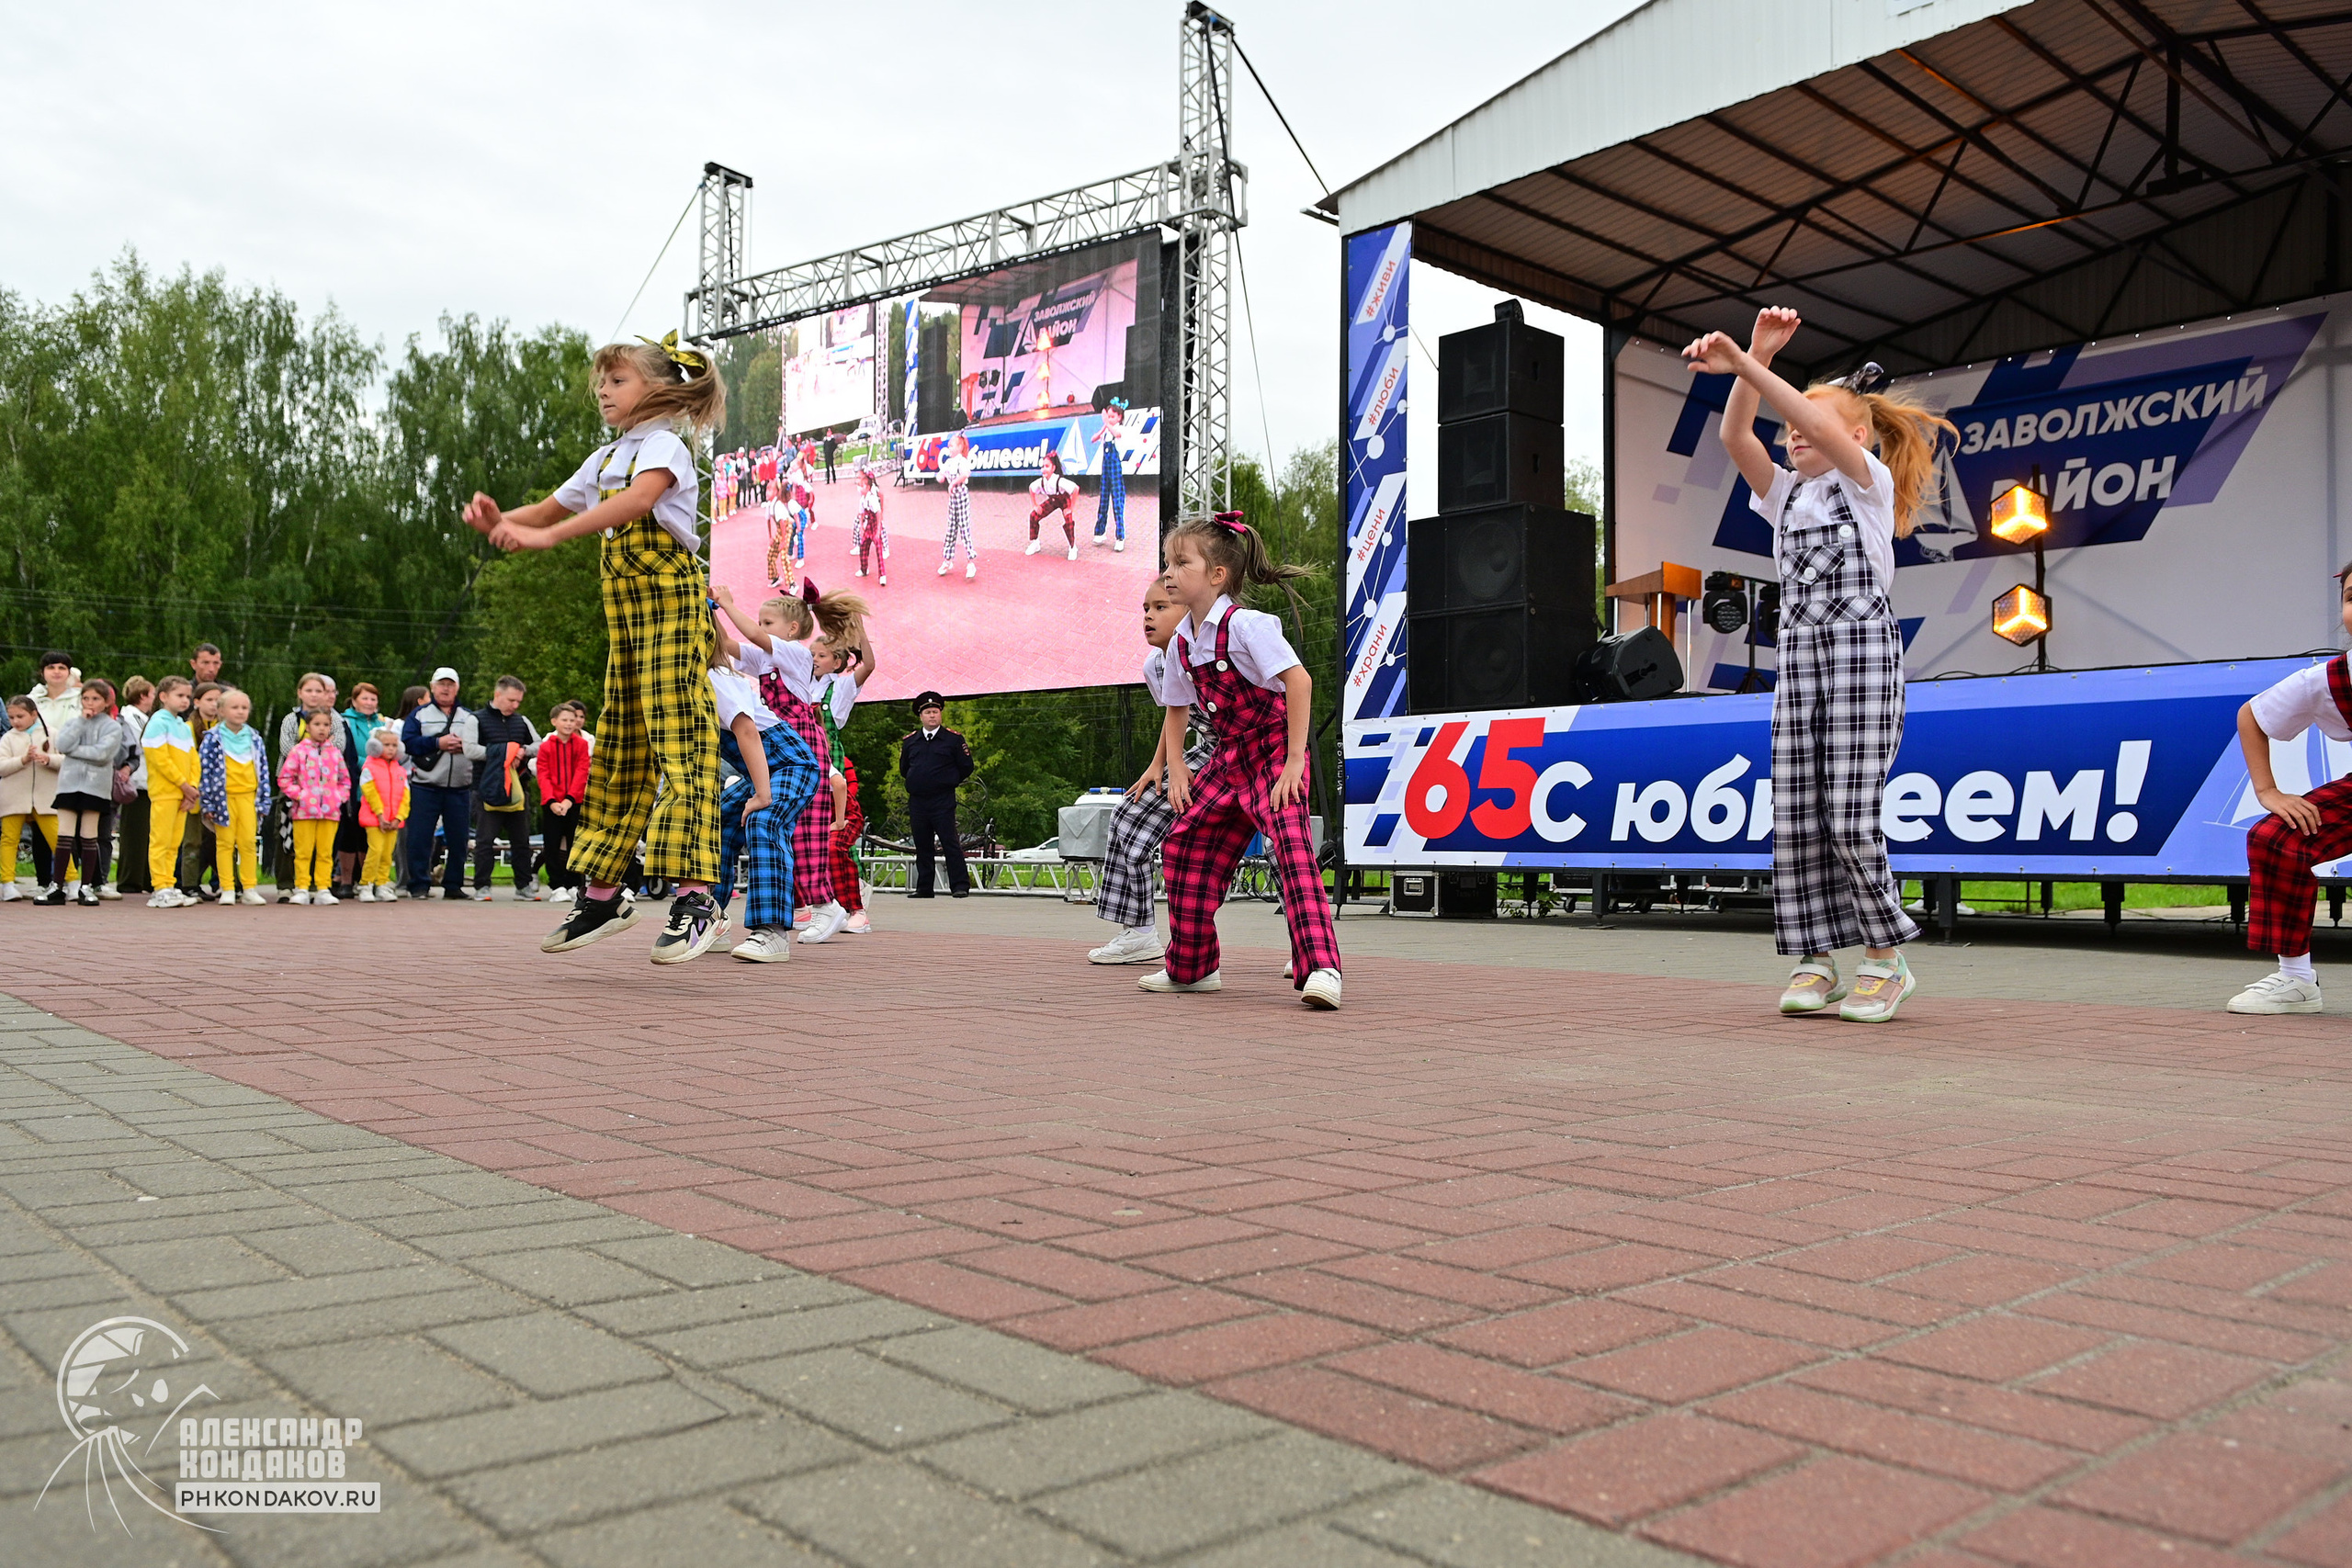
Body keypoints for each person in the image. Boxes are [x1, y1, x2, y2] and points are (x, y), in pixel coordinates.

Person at [1689, 306, 1952, 1023]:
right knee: (1798, 812)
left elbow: (1819, 426)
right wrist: (1755, 353)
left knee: (1849, 812)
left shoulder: (1864, 484)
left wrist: (1753, 369)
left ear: (1856, 436)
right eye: (1790, 426)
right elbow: (1735, 434)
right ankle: (1815, 957)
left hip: (1862, 655)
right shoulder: (1786, 496)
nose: (1793, 430)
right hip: (1800, 659)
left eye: (1808, 421)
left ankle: (1884, 956)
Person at [468, 333, 729, 964]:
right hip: (629, 629)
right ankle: (605, 892)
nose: (604, 393)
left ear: (659, 389)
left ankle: (697, 898)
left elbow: (637, 504)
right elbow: (550, 504)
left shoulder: (665, 445)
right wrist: (504, 520)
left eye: (618, 381)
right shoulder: (607, 457)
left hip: (672, 612)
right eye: (602, 383)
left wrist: (548, 538)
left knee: (681, 744)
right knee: (617, 751)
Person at [1146, 513, 1341, 1009]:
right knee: (1183, 846)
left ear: (1217, 575)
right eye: (1168, 562)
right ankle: (1192, 969)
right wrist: (1178, 766)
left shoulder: (1248, 625)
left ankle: (1321, 968)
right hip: (1228, 756)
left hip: (1274, 749)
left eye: (1181, 562)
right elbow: (1175, 708)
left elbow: (1299, 682)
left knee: (1291, 845)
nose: (1169, 572)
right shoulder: (1184, 643)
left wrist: (1295, 761)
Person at [712, 581, 865, 942]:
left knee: (806, 831)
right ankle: (712, 914)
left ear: (791, 629)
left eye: (768, 623)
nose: (759, 629)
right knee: (728, 815)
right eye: (762, 623)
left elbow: (748, 632)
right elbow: (726, 646)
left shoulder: (794, 653)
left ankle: (825, 903)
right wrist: (711, 612)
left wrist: (729, 603)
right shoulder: (765, 658)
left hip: (802, 744)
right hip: (772, 748)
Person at [2227, 567, 2352, 1012]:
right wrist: (2268, 791)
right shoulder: (2329, 679)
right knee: (2274, 837)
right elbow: (2252, 717)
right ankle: (2297, 981)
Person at [1091, 581, 1214, 964]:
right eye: (1145, 607)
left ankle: (1303, 944)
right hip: (1209, 752)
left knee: (1280, 843)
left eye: (1161, 606)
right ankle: (1140, 932)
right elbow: (1174, 715)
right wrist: (1159, 764)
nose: (1148, 615)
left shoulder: (1214, 648)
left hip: (1259, 753)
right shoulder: (1156, 665)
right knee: (1129, 813)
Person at [708, 609, 820, 962]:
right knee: (720, 818)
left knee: (763, 820)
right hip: (763, 771)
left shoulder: (717, 678)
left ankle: (771, 933)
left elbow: (746, 732)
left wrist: (761, 794)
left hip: (792, 763)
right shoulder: (683, 684)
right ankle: (710, 918)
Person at [814, 624, 877, 935]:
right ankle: (821, 905)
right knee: (810, 838)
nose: (814, 659)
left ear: (837, 662)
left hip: (831, 763)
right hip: (803, 761)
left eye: (821, 655)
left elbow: (868, 664)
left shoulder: (839, 687)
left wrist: (858, 630)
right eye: (812, 654)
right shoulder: (801, 685)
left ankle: (857, 903)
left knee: (839, 838)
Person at [401, 668, 482, 902]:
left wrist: (463, 746)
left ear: (457, 688)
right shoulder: (418, 715)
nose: (445, 689)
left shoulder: (469, 717)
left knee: (459, 838)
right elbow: (408, 744)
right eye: (441, 684)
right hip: (425, 786)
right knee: (420, 837)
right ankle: (418, 885)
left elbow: (479, 746)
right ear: (432, 686)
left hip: (459, 787)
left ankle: (454, 885)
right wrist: (438, 742)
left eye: (450, 684)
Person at [45, 681, 125, 906]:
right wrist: (81, 722)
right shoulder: (74, 722)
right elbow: (62, 744)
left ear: (106, 702)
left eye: (96, 699)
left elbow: (103, 754)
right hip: (69, 784)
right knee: (64, 835)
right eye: (86, 698)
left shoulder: (112, 727)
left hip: (95, 787)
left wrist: (75, 752)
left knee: (89, 836)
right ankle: (57, 886)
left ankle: (87, 886)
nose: (90, 703)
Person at [198, 687, 270, 905]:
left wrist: (264, 799)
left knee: (248, 843)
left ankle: (249, 887)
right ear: (220, 711)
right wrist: (207, 802)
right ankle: (227, 887)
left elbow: (263, 769)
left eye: (244, 708)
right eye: (235, 707)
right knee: (225, 843)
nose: (240, 712)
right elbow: (205, 771)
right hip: (224, 799)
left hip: (249, 798)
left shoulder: (255, 738)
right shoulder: (212, 738)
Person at [472, 676, 542, 901]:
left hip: (518, 789)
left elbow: (539, 745)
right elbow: (470, 750)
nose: (515, 706)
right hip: (487, 788)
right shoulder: (477, 719)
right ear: (497, 695)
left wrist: (521, 750)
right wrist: (505, 753)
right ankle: (482, 886)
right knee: (485, 840)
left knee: (521, 841)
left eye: (518, 701)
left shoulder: (522, 721)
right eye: (512, 700)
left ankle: (523, 886)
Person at [900, 692, 973, 898]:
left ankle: (959, 885)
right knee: (922, 844)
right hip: (918, 800)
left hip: (942, 799)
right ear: (921, 716)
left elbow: (967, 766)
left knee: (949, 841)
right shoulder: (911, 741)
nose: (932, 716)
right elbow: (905, 768)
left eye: (935, 712)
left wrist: (948, 780)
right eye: (928, 712)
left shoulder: (953, 739)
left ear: (940, 714)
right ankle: (924, 887)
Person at [277, 709, 352, 905]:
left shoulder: (335, 753)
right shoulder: (298, 751)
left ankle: (323, 888)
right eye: (317, 724)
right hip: (304, 812)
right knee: (303, 851)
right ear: (308, 727)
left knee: (325, 852)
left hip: (330, 811)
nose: (322, 729)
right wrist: (300, 795)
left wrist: (338, 797)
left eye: (326, 725)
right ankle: (301, 887)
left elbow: (345, 780)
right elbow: (285, 778)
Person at [141, 678, 198, 907]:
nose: (185, 700)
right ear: (163, 697)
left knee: (175, 842)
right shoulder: (157, 722)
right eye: (180, 696)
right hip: (165, 792)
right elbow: (159, 759)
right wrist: (183, 785)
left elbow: (194, 759)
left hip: (182, 795)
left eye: (187, 696)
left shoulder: (184, 727)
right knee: (160, 840)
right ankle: (159, 887)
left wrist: (191, 788)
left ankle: (169, 883)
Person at [0, 696, 58, 902]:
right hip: (13, 798)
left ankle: (69, 880)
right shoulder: (8, 738)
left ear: (34, 714)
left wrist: (49, 759)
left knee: (58, 840)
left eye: (20, 716)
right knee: (9, 840)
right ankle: (7, 884)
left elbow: (66, 761)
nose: (15, 721)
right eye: (11, 717)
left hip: (45, 799)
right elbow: (1, 766)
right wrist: (22, 760)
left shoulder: (52, 734)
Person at [537, 702, 591, 902]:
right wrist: (552, 801)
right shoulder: (546, 746)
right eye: (564, 720)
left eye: (572, 720)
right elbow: (543, 774)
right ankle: (556, 885)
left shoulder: (582, 745)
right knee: (551, 844)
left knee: (575, 844)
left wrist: (569, 800)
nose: (569, 724)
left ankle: (574, 883)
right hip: (551, 803)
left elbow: (582, 772)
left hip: (574, 802)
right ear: (554, 721)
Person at [336, 683, 386, 895]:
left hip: (376, 786)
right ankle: (346, 881)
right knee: (349, 834)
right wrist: (369, 763)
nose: (369, 703)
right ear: (354, 700)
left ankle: (368, 880)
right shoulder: (343, 721)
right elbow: (347, 751)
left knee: (369, 836)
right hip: (352, 782)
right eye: (365, 698)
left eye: (373, 699)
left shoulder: (383, 724)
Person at [178, 682, 222, 899]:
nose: (214, 705)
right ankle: (188, 884)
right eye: (210, 700)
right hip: (194, 791)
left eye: (218, 700)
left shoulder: (225, 728)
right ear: (196, 702)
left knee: (220, 840)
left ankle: (229, 882)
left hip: (219, 793)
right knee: (192, 840)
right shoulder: (188, 728)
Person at [114, 677, 156, 898]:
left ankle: (144, 877)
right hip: (137, 782)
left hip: (146, 782)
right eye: (152, 694)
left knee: (145, 833)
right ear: (142, 696)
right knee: (134, 834)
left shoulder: (141, 718)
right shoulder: (130, 717)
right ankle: (130, 879)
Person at [356, 724, 409, 902]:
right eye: (386, 745)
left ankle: (382, 883)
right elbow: (370, 793)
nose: (391, 749)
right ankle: (366, 884)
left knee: (387, 854)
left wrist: (399, 817)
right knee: (375, 851)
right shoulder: (369, 768)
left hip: (393, 821)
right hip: (374, 820)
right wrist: (380, 815)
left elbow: (405, 797)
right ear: (376, 746)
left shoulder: (400, 770)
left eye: (394, 745)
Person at [936, 431, 977, 581]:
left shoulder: (962, 461)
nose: (949, 448)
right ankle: (947, 560)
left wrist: (953, 483)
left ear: (960, 447)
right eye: (949, 445)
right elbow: (941, 474)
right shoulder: (949, 462)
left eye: (952, 445)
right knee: (951, 530)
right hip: (953, 500)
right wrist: (940, 477)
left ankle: (971, 562)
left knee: (965, 530)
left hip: (961, 496)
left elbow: (965, 474)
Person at [1026, 453, 1081, 560]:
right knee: (1033, 516)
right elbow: (1031, 488)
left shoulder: (1059, 481)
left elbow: (1076, 489)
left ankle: (1072, 547)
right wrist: (1035, 505)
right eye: (1042, 466)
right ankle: (1035, 543)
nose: (1044, 469)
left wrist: (1071, 509)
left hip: (1064, 500)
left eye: (1047, 466)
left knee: (1068, 521)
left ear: (1053, 468)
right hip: (1053, 501)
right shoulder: (1041, 481)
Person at [1091, 400, 1128, 551]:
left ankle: (1120, 537)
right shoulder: (1106, 430)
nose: (1110, 419)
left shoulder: (1119, 429)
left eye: (1113, 416)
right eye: (1109, 416)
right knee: (1104, 499)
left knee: (1117, 501)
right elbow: (1093, 439)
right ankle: (1100, 532)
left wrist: (1107, 423)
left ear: (1119, 417)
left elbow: (1117, 434)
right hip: (1105, 468)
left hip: (1115, 468)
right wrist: (1103, 427)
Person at [851, 461, 888, 586]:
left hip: (875, 525)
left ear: (867, 487)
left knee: (878, 549)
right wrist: (861, 525)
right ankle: (864, 569)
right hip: (868, 526)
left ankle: (882, 575)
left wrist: (878, 530)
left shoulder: (872, 498)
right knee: (863, 547)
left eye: (861, 486)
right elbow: (861, 513)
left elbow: (878, 514)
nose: (859, 488)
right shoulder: (862, 500)